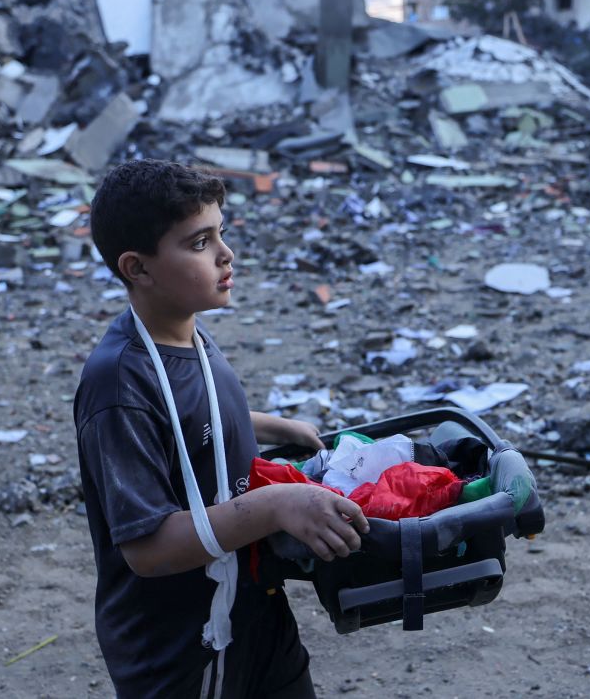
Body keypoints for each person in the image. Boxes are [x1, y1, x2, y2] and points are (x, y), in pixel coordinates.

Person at [75, 159, 369, 698]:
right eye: (199, 243)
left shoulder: (188, 333)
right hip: (185, 647)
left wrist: (269, 424)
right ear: (138, 269)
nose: (226, 255)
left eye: (222, 234)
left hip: (253, 610)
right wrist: (278, 505)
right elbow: (148, 548)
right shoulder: (118, 383)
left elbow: (187, 421)